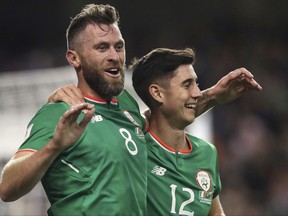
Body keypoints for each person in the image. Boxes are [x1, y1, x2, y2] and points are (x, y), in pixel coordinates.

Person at [0, 3, 262, 216]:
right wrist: (54, 146)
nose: (114, 55)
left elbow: (163, 120)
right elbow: (7, 187)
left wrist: (212, 96)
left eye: (119, 46)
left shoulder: (126, 104)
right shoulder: (61, 113)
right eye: (102, 48)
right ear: (74, 58)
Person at [130, 47, 225, 215]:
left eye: (196, 83)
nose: (197, 93)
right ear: (157, 93)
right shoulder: (133, 148)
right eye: (187, 84)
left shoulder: (206, 152)